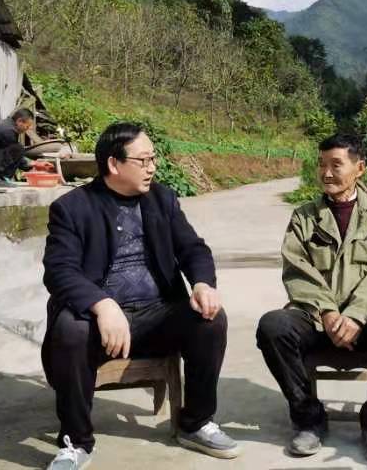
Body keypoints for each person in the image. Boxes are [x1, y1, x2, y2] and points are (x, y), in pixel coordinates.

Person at [41, 122, 240, 470]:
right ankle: (77, 441)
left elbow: (192, 248)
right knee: (71, 329)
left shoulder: (162, 199)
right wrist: (102, 305)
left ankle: (195, 423)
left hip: (157, 315)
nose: (152, 167)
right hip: (100, 323)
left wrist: (202, 284)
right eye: (143, 160)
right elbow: (59, 270)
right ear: (114, 164)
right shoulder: (72, 208)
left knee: (210, 319)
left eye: (153, 159)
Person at [256, 133, 367, 463]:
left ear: (360, 168)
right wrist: (328, 312)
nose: (326, 173)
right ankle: (309, 419)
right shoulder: (304, 217)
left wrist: (356, 315)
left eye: (336, 165)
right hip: (318, 320)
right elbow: (297, 270)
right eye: (321, 165)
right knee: (273, 326)